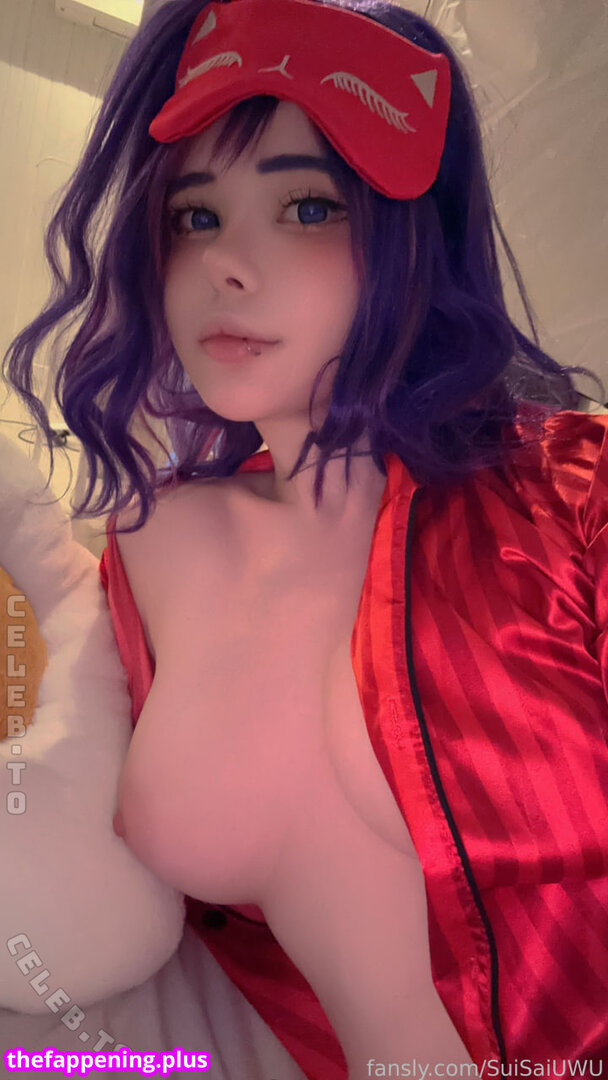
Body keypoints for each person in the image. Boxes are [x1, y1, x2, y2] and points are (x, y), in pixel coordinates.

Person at [3, 0, 608, 1076]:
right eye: (194, 216)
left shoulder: (572, 494)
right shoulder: (153, 545)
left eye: (307, 207)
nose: (226, 265)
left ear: (409, 243)